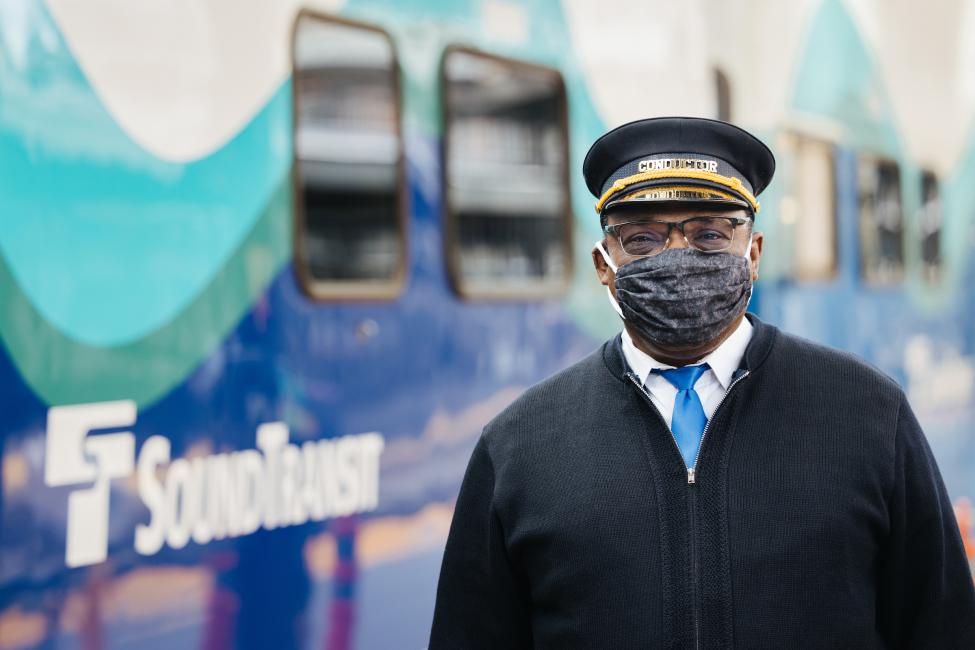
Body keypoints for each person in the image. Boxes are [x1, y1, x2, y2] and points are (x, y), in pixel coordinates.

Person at [428, 117, 975, 649]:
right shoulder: (519, 447)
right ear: (603, 264)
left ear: (753, 253)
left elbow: (943, 627)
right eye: (641, 239)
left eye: (709, 235)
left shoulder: (868, 414)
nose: (678, 258)